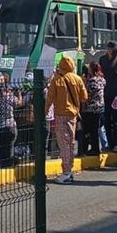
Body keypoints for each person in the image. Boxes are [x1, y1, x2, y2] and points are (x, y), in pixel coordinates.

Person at [46, 56, 86, 184]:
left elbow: (50, 98)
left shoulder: (56, 80)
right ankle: (69, 170)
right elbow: (84, 97)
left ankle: (66, 172)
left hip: (60, 114)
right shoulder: (77, 79)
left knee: (63, 144)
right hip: (73, 115)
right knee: (70, 143)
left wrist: (44, 112)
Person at [99, 41, 117, 152]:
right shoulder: (102, 60)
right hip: (105, 94)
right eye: (113, 49)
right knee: (106, 120)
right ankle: (110, 144)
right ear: (108, 49)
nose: (115, 51)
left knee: (116, 120)